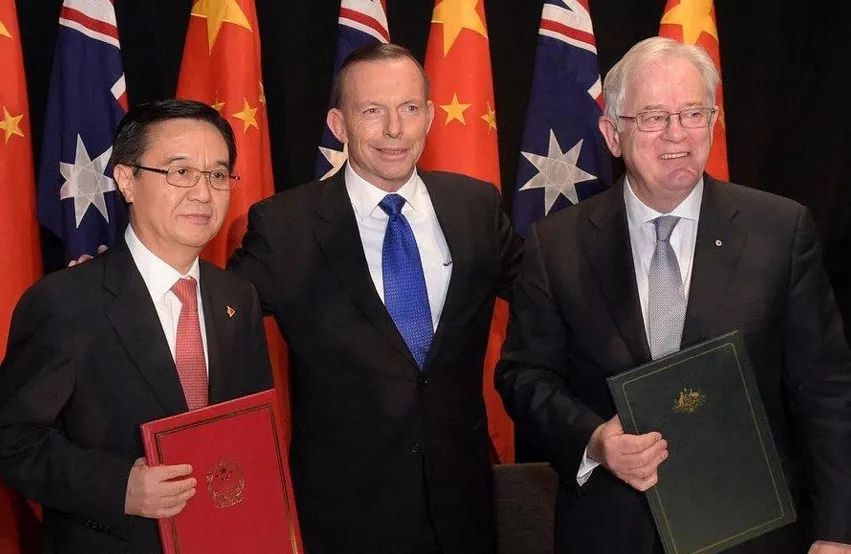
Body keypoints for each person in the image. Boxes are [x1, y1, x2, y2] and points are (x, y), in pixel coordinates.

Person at [496, 36, 851, 554]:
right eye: (654, 117)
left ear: (714, 121)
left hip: (750, 529)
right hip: (611, 532)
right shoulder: (556, 245)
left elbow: (826, 389)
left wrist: (837, 532)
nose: (676, 133)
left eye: (692, 113)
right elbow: (523, 376)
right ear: (612, 134)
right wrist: (594, 439)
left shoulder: (780, 230)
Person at [228, 43, 522, 554]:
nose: (394, 129)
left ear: (430, 116)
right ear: (338, 124)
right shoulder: (285, 226)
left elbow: (551, 291)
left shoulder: (475, 206)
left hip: (463, 512)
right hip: (344, 520)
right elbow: (214, 317)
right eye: (372, 111)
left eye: (409, 108)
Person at [0, 99, 272, 552]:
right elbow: (11, 437)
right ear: (127, 179)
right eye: (181, 172)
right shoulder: (65, 301)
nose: (203, 193)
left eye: (218, 175)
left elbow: (248, 431)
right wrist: (119, 486)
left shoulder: (237, 297)